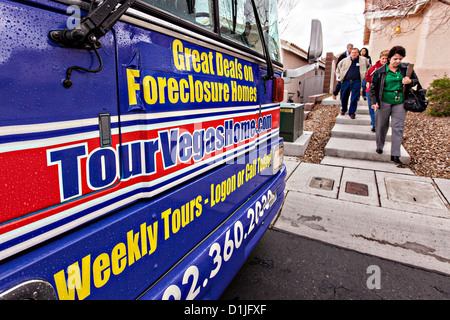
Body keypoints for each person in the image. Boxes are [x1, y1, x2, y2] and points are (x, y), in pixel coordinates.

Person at [369, 46, 419, 164]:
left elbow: (416, 81)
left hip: (400, 102)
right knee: (381, 126)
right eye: (395, 59)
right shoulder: (379, 72)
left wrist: (410, 81)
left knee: (398, 127)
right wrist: (373, 102)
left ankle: (395, 154)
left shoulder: (406, 69)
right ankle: (380, 146)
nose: (398, 61)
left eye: (400, 59)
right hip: (384, 101)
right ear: (389, 58)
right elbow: (373, 89)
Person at [335, 48, 371, 119]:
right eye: (352, 52)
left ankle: (352, 112)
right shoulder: (344, 60)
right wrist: (339, 76)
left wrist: (365, 74)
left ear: (358, 53)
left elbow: (369, 67)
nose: (354, 54)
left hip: (356, 81)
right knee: (344, 96)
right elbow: (338, 69)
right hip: (346, 81)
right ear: (350, 53)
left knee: (354, 97)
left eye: (355, 52)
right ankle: (344, 109)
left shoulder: (364, 60)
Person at [365, 50, 389, 132]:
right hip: (372, 91)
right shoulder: (374, 68)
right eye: (383, 58)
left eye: (386, 59)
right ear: (380, 58)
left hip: (384, 92)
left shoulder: (391, 69)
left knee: (382, 109)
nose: (385, 60)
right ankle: (375, 125)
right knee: (372, 108)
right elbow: (367, 77)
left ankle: (378, 123)